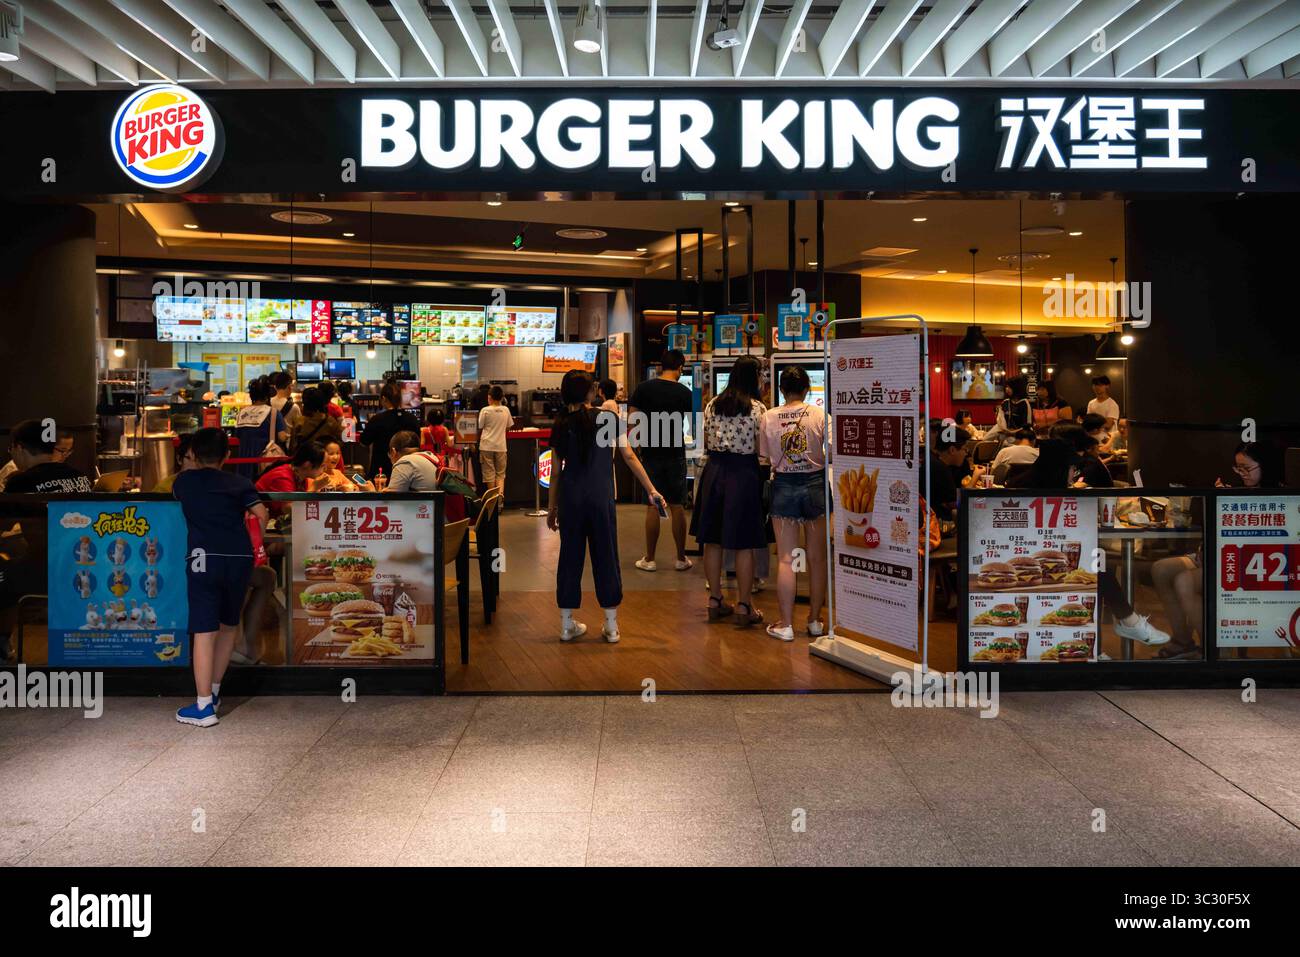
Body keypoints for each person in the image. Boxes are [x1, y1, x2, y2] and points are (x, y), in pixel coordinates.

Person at [546, 369, 664, 643]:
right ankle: (611, 626)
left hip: (571, 499)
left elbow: (554, 472)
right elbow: (629, 456)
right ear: (590, 392)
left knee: (570, 558)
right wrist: (651, 489)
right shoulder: (608, 419)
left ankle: (566, 625)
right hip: (601, 497)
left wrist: (552, 508)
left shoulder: (561, 422)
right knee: (606, 556)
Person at [171, 427, 269, 727]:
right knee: (228, 626)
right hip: (239, 559)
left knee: (204, 631)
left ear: (195, 456)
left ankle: (203, 707)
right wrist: (257, 543)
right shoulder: (240, 482)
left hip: (204, 559)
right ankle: (213, 693)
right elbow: (262, 513)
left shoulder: (184, 482)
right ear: (228, 455)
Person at [692, 354, 768, 627]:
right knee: (743, 542)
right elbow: (763, 448)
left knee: (712, 539)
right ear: (755, 377)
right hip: (743, 474)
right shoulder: (757, 409)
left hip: (714, 472)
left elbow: (706, 438)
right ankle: (744, 605)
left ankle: (715, 599)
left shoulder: (713, 404)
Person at [759, 365, 828, 642]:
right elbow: (832, 452)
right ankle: (814, 621)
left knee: (786, 559)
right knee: (817, 558)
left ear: (781, 389)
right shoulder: (819, 414)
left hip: (784, 484)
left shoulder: (769, 416)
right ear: (808, 388)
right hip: (816, 485)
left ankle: (785, 624)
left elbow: (764, 456)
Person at [628, 349, 694, 573]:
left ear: (659, 367)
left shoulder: (643, 388)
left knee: (653, 505)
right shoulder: (684, 392)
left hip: (651, 453)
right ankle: (681, 558)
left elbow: (633, 418)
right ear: (680, 367)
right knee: (677, 506)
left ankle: (650, 558)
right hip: (675, 453)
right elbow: (690, 423)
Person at [3, 419, 94, 495]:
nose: (11, 453)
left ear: (19, 448)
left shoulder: (20, 483)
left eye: (11, 448)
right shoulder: (80, 477)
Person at [360, 382, 421, 481]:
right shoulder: (412, 419)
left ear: (384, 399)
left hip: (382, 472)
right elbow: (418, 444)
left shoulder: (377, 419)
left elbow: (364, 441)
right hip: (410, 470)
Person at [234, 376, 289, 478]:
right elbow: (282, 437)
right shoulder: (273, 413)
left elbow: (237, 435)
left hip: (244, 462)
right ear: (267, 395)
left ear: (251, 396)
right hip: (264, 463)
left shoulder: (242, 413)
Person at [919, 427, 969, 521]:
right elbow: (956, 504)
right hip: (938, 523)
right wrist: (975, 477)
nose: (966, 453)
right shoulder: (940, 469)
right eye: (965, 449)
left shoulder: (932, 459)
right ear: (952, 450)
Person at [255, 442, 328, 498]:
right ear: (307, 465)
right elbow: (290, 509)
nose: (325, 469)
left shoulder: (301, 476)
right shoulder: (283, 477)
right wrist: (314, 488)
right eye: (322, 466)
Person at [477, 385, 514, 492]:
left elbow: (479, 427)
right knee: (500, 475)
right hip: (501, 447)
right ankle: (500, 502)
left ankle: (492, 503)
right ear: (502, 398)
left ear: (489, 397)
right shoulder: (506, 410)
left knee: (489, 474)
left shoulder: (485, 410)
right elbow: (509, 426)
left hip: (486, 446)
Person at [1216, 441, 1284, 488]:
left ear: (1263, 466)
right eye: (1239, 468)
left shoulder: (1282, 493)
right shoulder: (1237, 488)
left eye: (1247, 468)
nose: (1242, 474)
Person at [988, 374, 1033, 442]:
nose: (1007, 389)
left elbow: (1027, 426)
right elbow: (1001, 419)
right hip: (1004, 433)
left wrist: (1012, 432)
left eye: (1009, 387)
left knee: (1009, 443)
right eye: (1006, 387)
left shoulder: (1025, 403)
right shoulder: (1005, 402)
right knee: (986, 439)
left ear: (1016, 388)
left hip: (1018, 436)